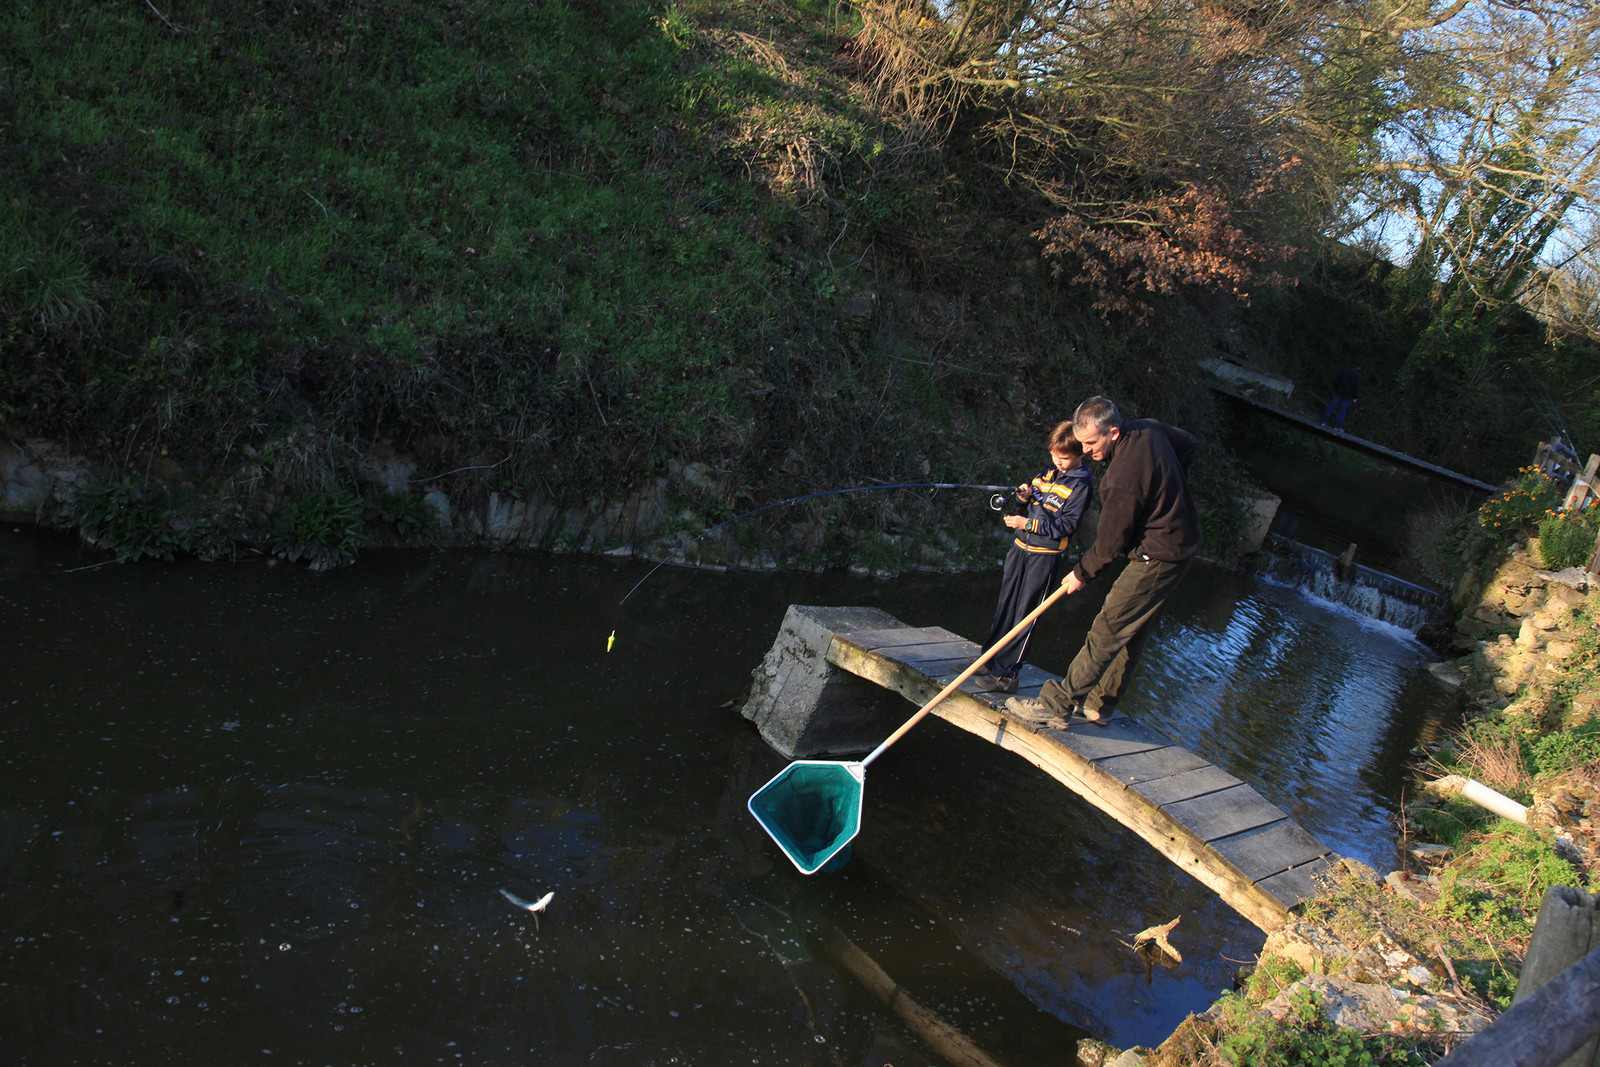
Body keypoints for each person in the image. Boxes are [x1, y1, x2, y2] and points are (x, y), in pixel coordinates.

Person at [1006, 396, 1200, 729]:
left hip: (1157, 554)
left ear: (1112, 432)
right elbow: (1189, 445)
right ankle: (1100, 704)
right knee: (1134, 629)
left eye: (1091, 443)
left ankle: (1056, 704)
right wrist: (1169, 488)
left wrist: (1082, 572)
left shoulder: (1120, 479)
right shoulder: (1149, 429)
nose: (1086, 450)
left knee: (1107, 628)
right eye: (1081, 443)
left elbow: (1110, 543)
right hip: (1182, 545)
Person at [970, 422, 1093, 694]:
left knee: (1026, 614)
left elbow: (1067, 526)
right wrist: (1024, 499)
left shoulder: (1081, 484)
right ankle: (988, 660)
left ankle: (1008, 676)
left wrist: (1026, 524)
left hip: (1045, 558)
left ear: (1081, 454)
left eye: (1065, 458)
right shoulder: (1045, 474)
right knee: (1005, 606)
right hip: (1019, 550)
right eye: (1055, 456)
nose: (1059, 463)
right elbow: (1029, 508)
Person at [1320, 362, 1362, 431]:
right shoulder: (1357, 375)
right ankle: (1337, 426)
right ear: (1358, 367)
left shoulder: (1344, 370)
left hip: (1339, 392)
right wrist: (1355, 397)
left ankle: (1323, 421)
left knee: (1331, 406)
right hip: (1348, 396)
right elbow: (1356, 387)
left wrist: (1336, 389)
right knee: (1343, 411)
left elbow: (1337, 380)